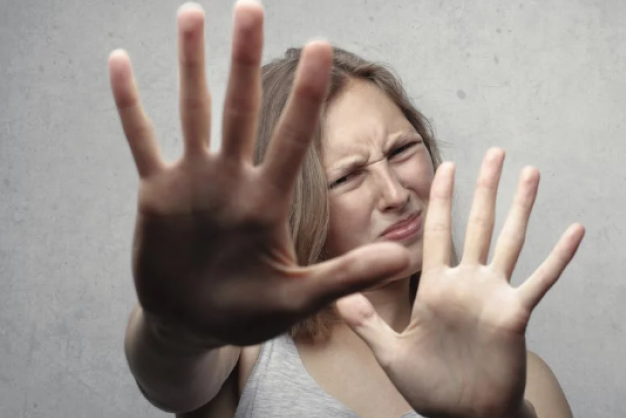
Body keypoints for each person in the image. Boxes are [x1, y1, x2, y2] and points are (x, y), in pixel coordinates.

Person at [109, 1, 586, 417]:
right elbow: (170, 380)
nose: (395, 193)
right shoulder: (246, 350)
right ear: (290, 208)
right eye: (347, 176)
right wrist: (175, 329)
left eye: (402, 149)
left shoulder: (525, 383)